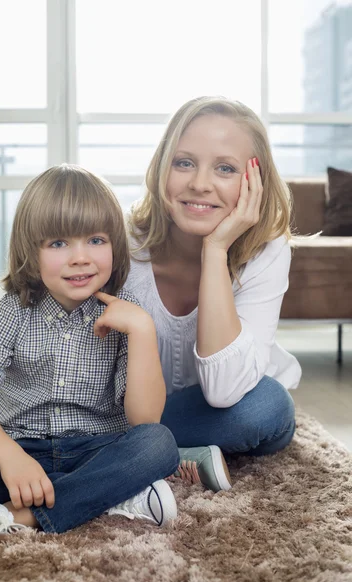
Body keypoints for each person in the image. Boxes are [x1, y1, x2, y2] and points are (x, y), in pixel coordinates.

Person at [0, 164, 179, 553]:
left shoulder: (129, 311)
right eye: (58, 243)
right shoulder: (14, 310)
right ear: (31, 253)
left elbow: (145, 420)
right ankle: (113, 500)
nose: (80, 258)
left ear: (115, 246)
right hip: (22, 450)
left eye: (95, 240)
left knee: (158, 445)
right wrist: (11, 458)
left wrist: (142, 331)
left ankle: (12, 518)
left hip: (97, 449)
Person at [125, 96, 302, 493]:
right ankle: (166, 450)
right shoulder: (122, 244)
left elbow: (225, 393)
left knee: (267, 408)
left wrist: (216, 250)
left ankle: (122, 446)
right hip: (136, 406)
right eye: (184, 162)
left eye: (225, 168)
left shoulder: (267, 252)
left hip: (220, 409)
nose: (199, 183)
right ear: (161, 167)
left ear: (253, 181)